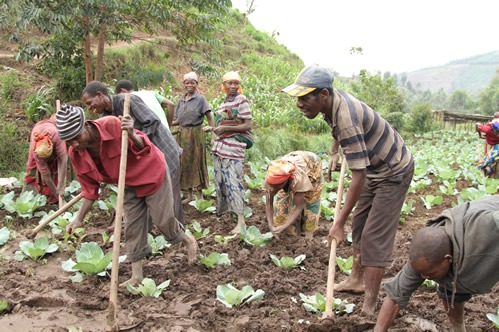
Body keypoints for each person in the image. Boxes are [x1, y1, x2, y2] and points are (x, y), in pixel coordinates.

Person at [282, 65, 414, 315]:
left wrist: (338, 222)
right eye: (297, 98)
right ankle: (356, 280)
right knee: (360, 225)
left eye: (304, 97)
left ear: (323, 94)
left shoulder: (346, 120)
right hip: (373, 168)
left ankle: (370, 306)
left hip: (393, 170)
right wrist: (334, 151)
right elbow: (338, 131)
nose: (299, 104)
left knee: (374, 238)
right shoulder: (332, 101)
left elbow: (359, 175)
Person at [56, 105, 198, 286]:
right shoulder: (75, 154)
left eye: (76, 137)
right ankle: (137, 276)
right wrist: (78, 219)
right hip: (128, 183)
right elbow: (90, 190)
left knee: (163, 221)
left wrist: (131, 134)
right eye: (69, 141)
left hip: (151, 173)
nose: (74, 144)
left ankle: (188, 240)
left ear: (85, 125)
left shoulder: (112, 125)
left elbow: (144, 147)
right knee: (132, 227)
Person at [374, 195, 499, 332]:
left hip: (491, 238)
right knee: (450, 290)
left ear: (447, 259)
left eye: (429, 273)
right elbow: (395, 296)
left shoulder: (483, 228)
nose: (424, 277)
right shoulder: (425, 258)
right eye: (420, 273)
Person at [81, 80, 184, 224]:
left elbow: (152, 122)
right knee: (146, 194)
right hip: (147, 159)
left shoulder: (127, 101)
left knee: (170, 194)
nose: (90, 108)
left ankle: (179, 235)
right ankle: (154, 233)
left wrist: (135, 140)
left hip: (163, 149)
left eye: (90, 103)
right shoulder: (104, 118)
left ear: (99, 95)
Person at [203, 71, 254, 234]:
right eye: (229, 83)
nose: (233, 86)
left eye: (235, 83)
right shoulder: (224, 102)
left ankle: (241, 222)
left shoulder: (241, 100)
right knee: (221, 183)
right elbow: (224, 125)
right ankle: (229, 213)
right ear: (223, 85)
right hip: (221, 147)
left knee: (234, 183)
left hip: (233, 150)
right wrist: (213, 129)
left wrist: (226, 128)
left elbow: (247, 125)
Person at [171, 71, 215, 204]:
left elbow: (210, 117)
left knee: (197, 162)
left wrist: (213, 134)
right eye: (187, 82)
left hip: (196, 134)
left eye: (192, 82)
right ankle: (189, 194)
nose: (189, 85)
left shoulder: (200, 99)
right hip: (182, 135)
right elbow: (178, 120)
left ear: (197, 84)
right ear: (183, 84)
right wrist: (163, 123)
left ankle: (199, 195)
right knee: (184, 163)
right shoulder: (181, 100)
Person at [263, 151, 324, 238]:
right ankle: (290, 232)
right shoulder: (272, 176)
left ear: (284, 182)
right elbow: (268, 204)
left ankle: (309, 234)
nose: (272, 189)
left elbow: (300, 206)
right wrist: (270, 224)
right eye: (271, 186)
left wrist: (284, 226)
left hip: (312, 165)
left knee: (311, 200)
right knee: (282, 206)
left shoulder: (297, 179)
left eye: (276, 187)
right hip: (290, 161)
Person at [23, 114, 68, 208]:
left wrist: (60, 186)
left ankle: (52, 198)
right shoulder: (36, 152)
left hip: (51, 131)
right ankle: (29, 196)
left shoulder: (57, 137)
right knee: (32, 169)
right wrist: (59, 196)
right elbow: (46, 176)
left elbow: (63, 160)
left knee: (54, 167)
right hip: (37, 131)